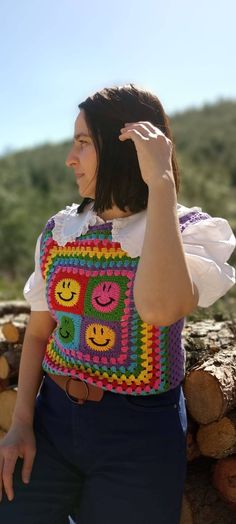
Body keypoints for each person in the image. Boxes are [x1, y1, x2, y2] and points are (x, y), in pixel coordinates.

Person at [0, 83, 235, 524]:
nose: (71, 157)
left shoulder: (185, 230)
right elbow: (37, 333)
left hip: (140, 433)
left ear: (123, 148)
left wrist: (160, 185)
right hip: (51, 421)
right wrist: (20, 424)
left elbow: (160, 310)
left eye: (84, 143)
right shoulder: (59, 232)